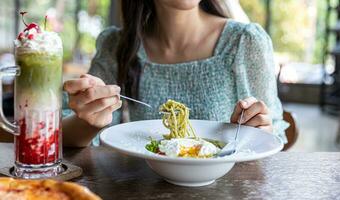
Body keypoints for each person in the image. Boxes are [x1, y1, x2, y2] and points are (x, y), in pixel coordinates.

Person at [62, 0, 289, 147]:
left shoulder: (245, 41)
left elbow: (275, 133)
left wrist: (262, 130)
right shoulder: (117, 45)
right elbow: (62, 133)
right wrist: (90, 120)